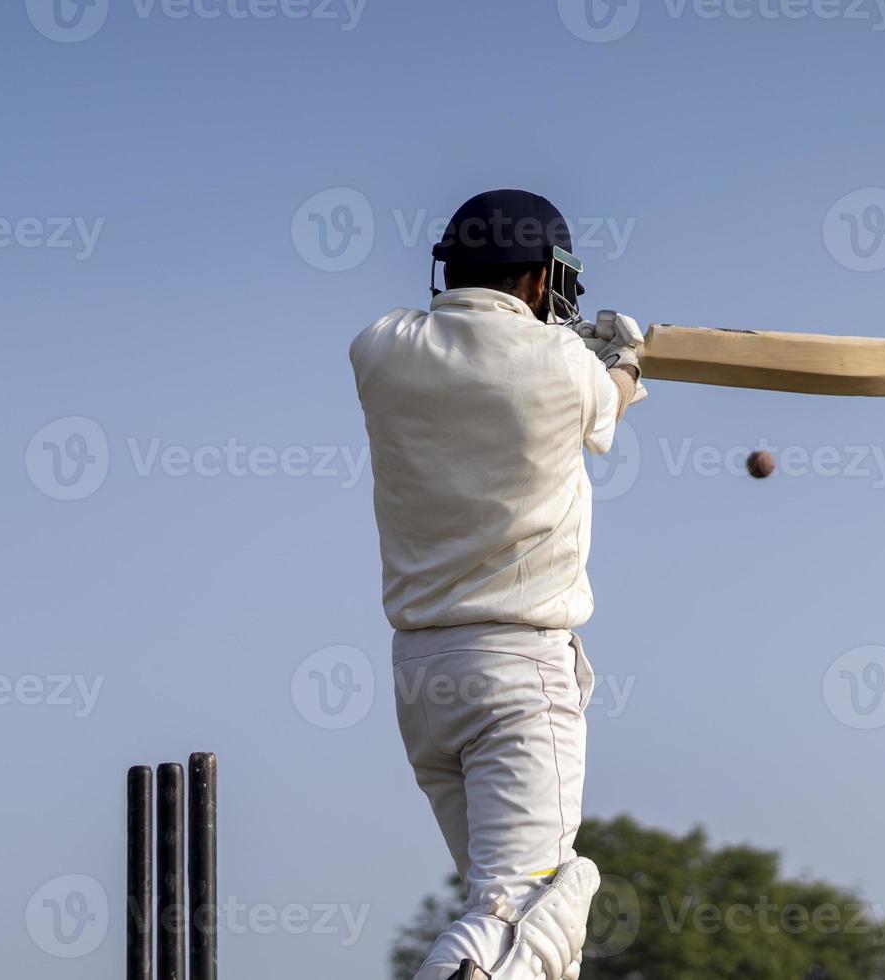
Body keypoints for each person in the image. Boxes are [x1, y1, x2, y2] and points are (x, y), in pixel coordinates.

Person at [348, 189, 647, 980]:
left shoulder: (379, 350)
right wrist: (625, 362)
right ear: (543, 281)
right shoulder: (566, 366)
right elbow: (606, 404)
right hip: (518, 672)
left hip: (421, 679)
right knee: (533, 906)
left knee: (498, 911)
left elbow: (489, 354)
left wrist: (574, 349)